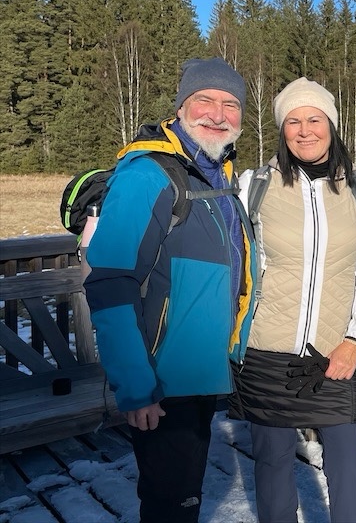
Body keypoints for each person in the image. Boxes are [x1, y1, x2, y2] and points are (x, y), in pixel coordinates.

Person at [83, 57, 257, 523]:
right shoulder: (149, 175)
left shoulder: (217, 173)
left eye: (230, 104)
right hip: (163, 379)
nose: (217, 114)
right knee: (171, 505)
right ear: (180, 107)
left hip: (198, 371)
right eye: (204, 100)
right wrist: (136, 385)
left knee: (183, 496)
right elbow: (111, 282)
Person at [231, 77, 356, 523]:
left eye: (315, 119)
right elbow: (235, 262)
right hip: (265, 347)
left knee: (347, 462)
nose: (305, 131)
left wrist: (354, 341)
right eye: (293, 121)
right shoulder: (253, 185)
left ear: (331, 125)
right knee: (272, 462)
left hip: (336, 350)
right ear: (281, 129)